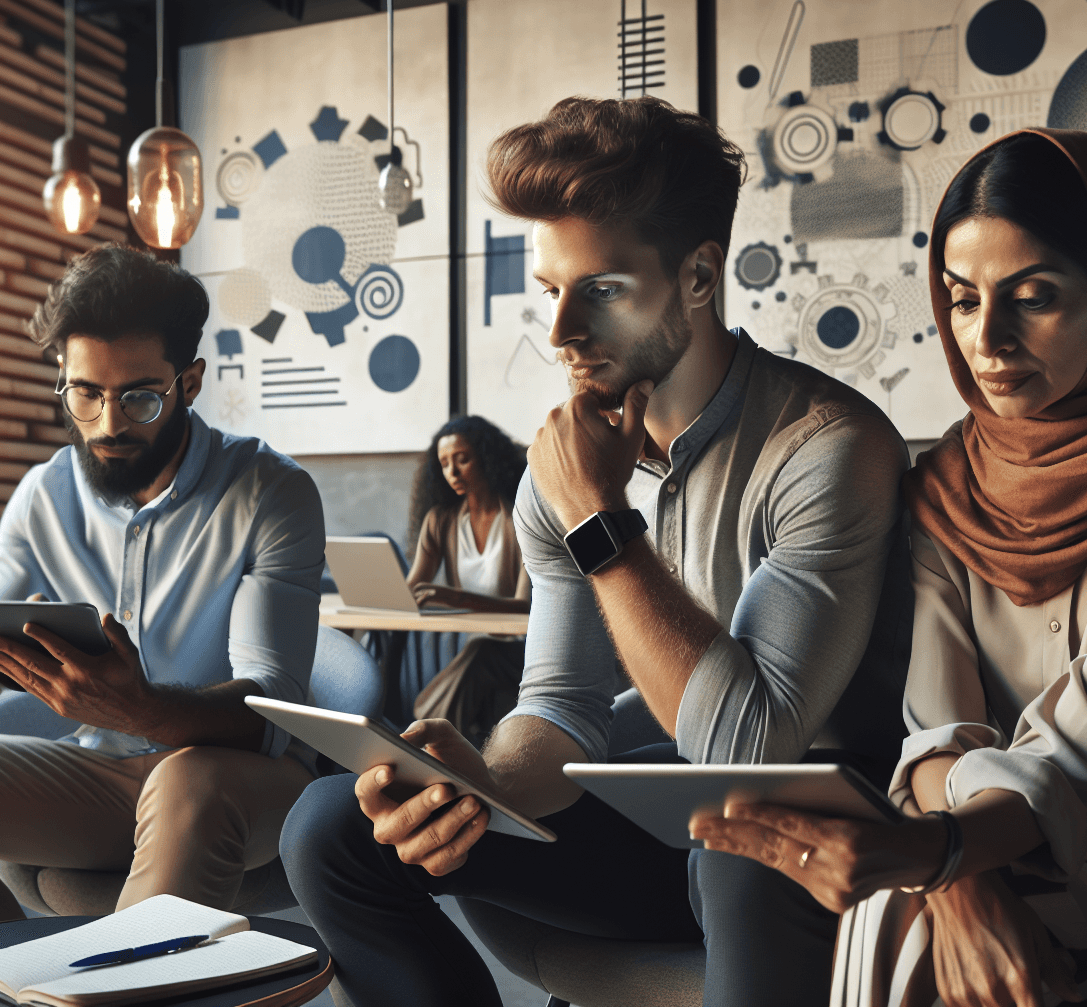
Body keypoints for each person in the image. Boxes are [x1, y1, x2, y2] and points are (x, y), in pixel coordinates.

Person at [279, 95, 913, 1007]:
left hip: (807, 859)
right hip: (661, 837)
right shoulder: (560, 465)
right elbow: (563, 706)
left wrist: (601, 518)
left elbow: (747, 746)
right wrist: (482, 786)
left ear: (698, 276)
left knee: (744, 842)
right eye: (549, 291)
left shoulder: (827, 447)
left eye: (602, 291)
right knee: (330, 824)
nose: (562, 332)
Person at [692, 129, 1087, 1007]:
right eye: (961, 300)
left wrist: (944, 857)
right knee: (829, 885)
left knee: (896, 913)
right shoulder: (948, 480)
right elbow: (935, 734)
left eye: (1033, 297)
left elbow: (1085, 739)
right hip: (988, 824)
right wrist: (956, 868)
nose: (985, 339)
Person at [0, 245, 327, 940]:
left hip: (241, 779)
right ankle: (23, 981)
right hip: (101, 773)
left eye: (139, 395)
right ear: (63, 378)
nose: (109, 424)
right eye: (85, 393)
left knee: (189, 781)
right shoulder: (43, 493)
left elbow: (275, 711)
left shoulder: (271, 491)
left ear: (191, 381)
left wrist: (142, 707)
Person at [404, 415, 531, 745]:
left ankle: (422, 730)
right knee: (480, 651)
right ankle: (433, 740)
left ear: (488, 458)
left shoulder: (521, 516)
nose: (453, 472)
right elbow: (413, 588)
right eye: (445, 463)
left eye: (462, 459)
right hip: (476, 647)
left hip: (526, 650)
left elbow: (523, 606)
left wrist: (455, 598)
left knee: (482, 652)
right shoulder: (441, 520)